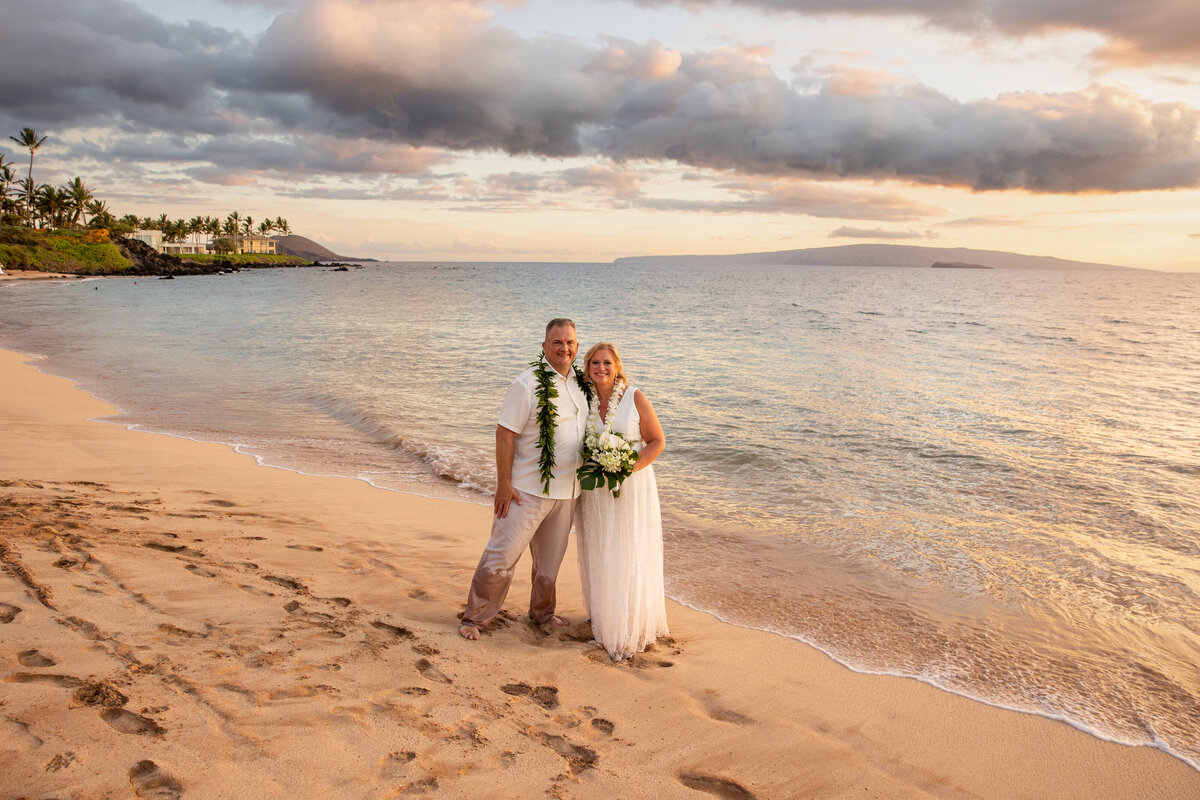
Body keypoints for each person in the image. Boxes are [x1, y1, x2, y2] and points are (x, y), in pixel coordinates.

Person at [459, 319, 590, 640]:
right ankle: (474, 618)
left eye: (570, 342)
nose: (564, 348)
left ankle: (542, 614)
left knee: (549, 566)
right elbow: (505, 434)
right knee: (501, 557)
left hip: (568, 491)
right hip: (525, 490)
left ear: (577, 345)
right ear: (544, 347)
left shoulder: (581, 384)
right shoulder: (526, 384)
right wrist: (503, 484)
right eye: (557, 342)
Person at [575, 342, 669, 660]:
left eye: (607, 363)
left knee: (628, 549)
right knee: (600, 548)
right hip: (596, 489)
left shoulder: (634, 397)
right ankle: (603, 616)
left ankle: (629, 621)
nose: (601, 369)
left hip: (631, 485)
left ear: (617, 367)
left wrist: (629, 468)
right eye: (595, 363)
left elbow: (657, 441)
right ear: (587, 367)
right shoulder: (582, 399)